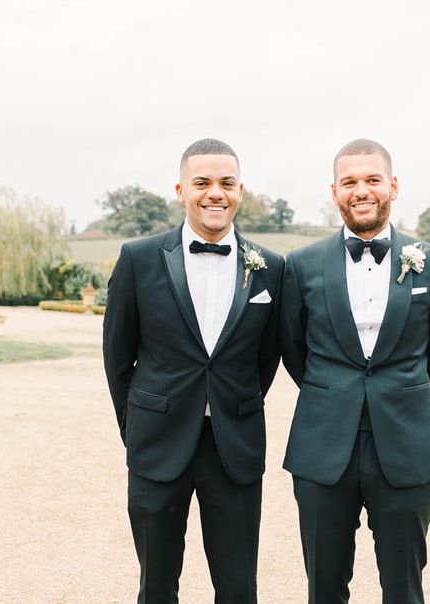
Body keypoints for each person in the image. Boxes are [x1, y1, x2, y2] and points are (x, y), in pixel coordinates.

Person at [103, 138, 284, 604]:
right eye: (201, 182)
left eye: (226, 183)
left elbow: (267, 358)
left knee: (239, 586)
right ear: (180, 190)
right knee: (157, 584)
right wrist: (137, 427)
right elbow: (117, 357)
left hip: (234, 445)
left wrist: (234, 402)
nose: (214, 193)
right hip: (158, 442)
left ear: (240, 189)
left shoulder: (270, 268)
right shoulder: (138, 259)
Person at [280, 139, 430, 603]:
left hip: (404, 447)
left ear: (393, 187)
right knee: (324, 588)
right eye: (350, 181)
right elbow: (293, 351)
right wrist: (333, 394)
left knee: (404, 589)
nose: (362, 190)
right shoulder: (299, 266)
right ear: (334, 191)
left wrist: (397, 395)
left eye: (373, 180)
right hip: (322, 449)